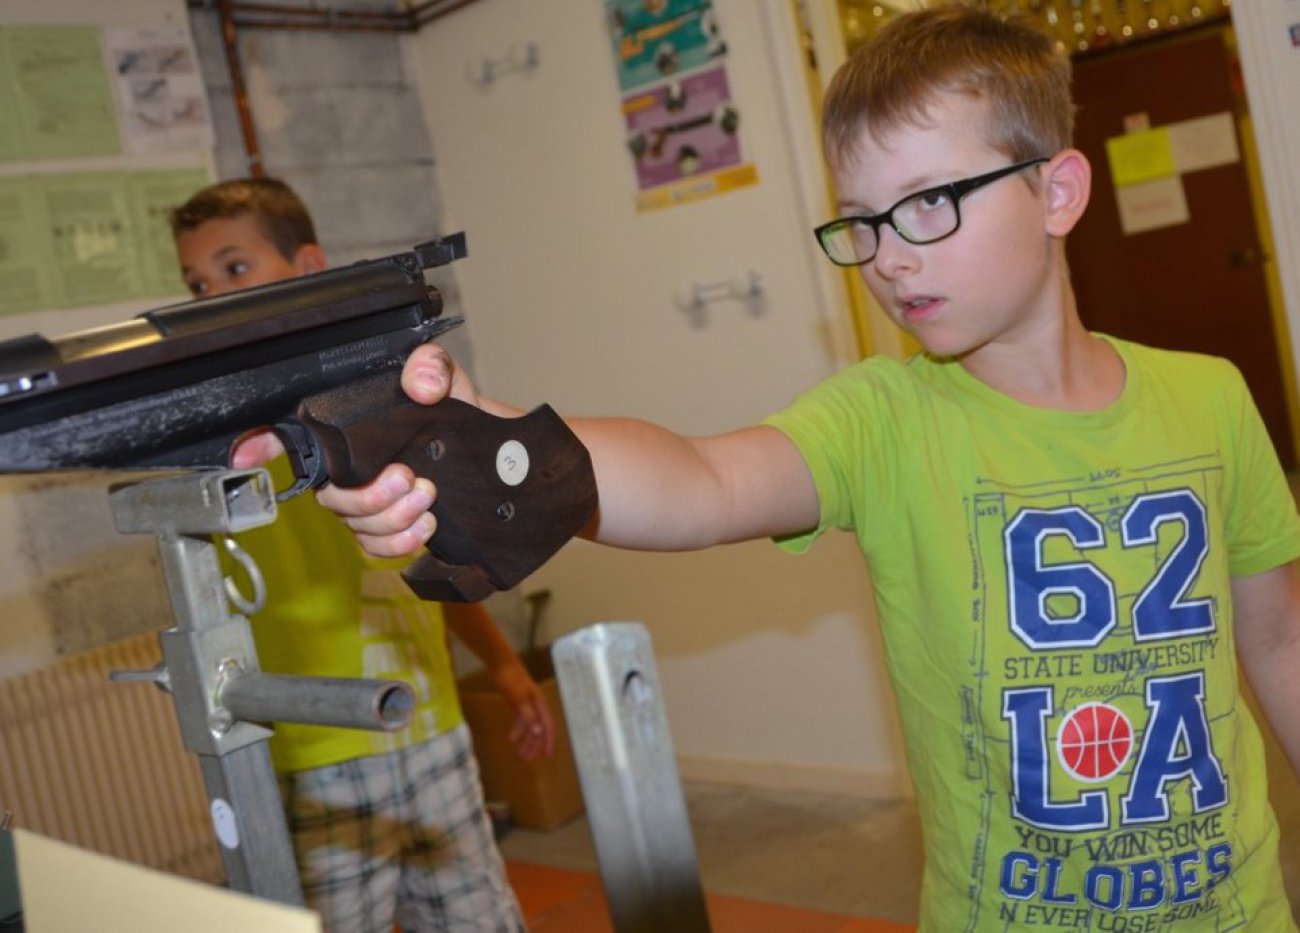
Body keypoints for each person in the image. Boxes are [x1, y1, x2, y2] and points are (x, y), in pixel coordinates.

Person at [236, 7, 1300, 931]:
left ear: (1057, 190)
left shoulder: (1210, 398)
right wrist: (496, 437)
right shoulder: (882, 418)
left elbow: (1280, 642)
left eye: (931, 202)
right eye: (864, 221)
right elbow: (701, 481)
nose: (889, 255)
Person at [172, 177, 554, 933]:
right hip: (318, 754)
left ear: (309, 267)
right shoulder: (223, 436)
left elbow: (425, 558)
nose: (212, 294)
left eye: (235, 267)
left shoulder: (377, 394)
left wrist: (506, 669)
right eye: (196, 283)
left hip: (431, 726)